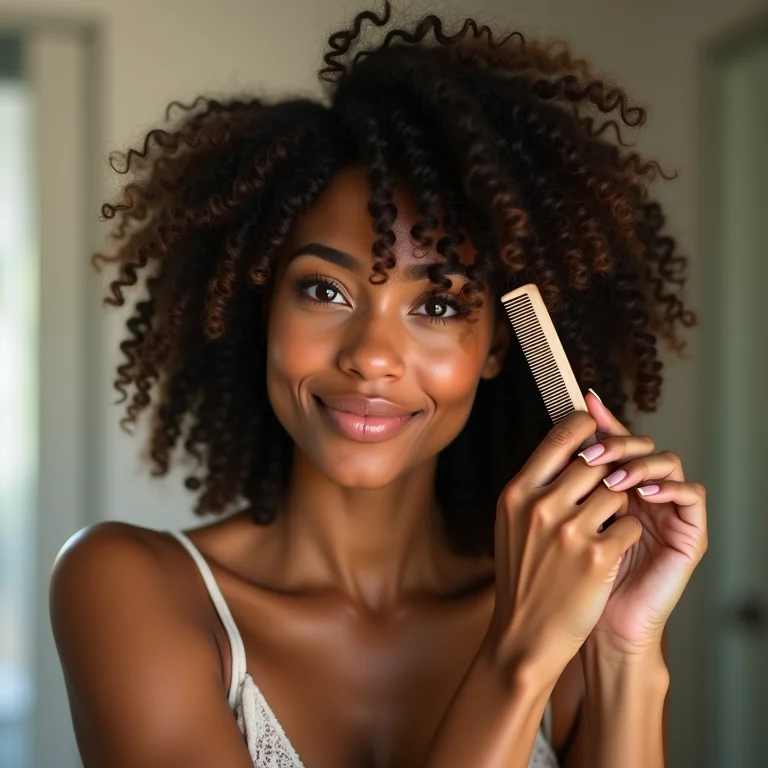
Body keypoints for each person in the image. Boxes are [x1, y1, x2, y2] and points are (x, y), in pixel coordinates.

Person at [49, 3, 708, 767]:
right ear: (262, 304)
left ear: (498, 345)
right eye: (325, 291)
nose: (372, 356)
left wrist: (624, 652)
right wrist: (517, 657)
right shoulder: (128, 589)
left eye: (436, 305)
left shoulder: (567, 605)